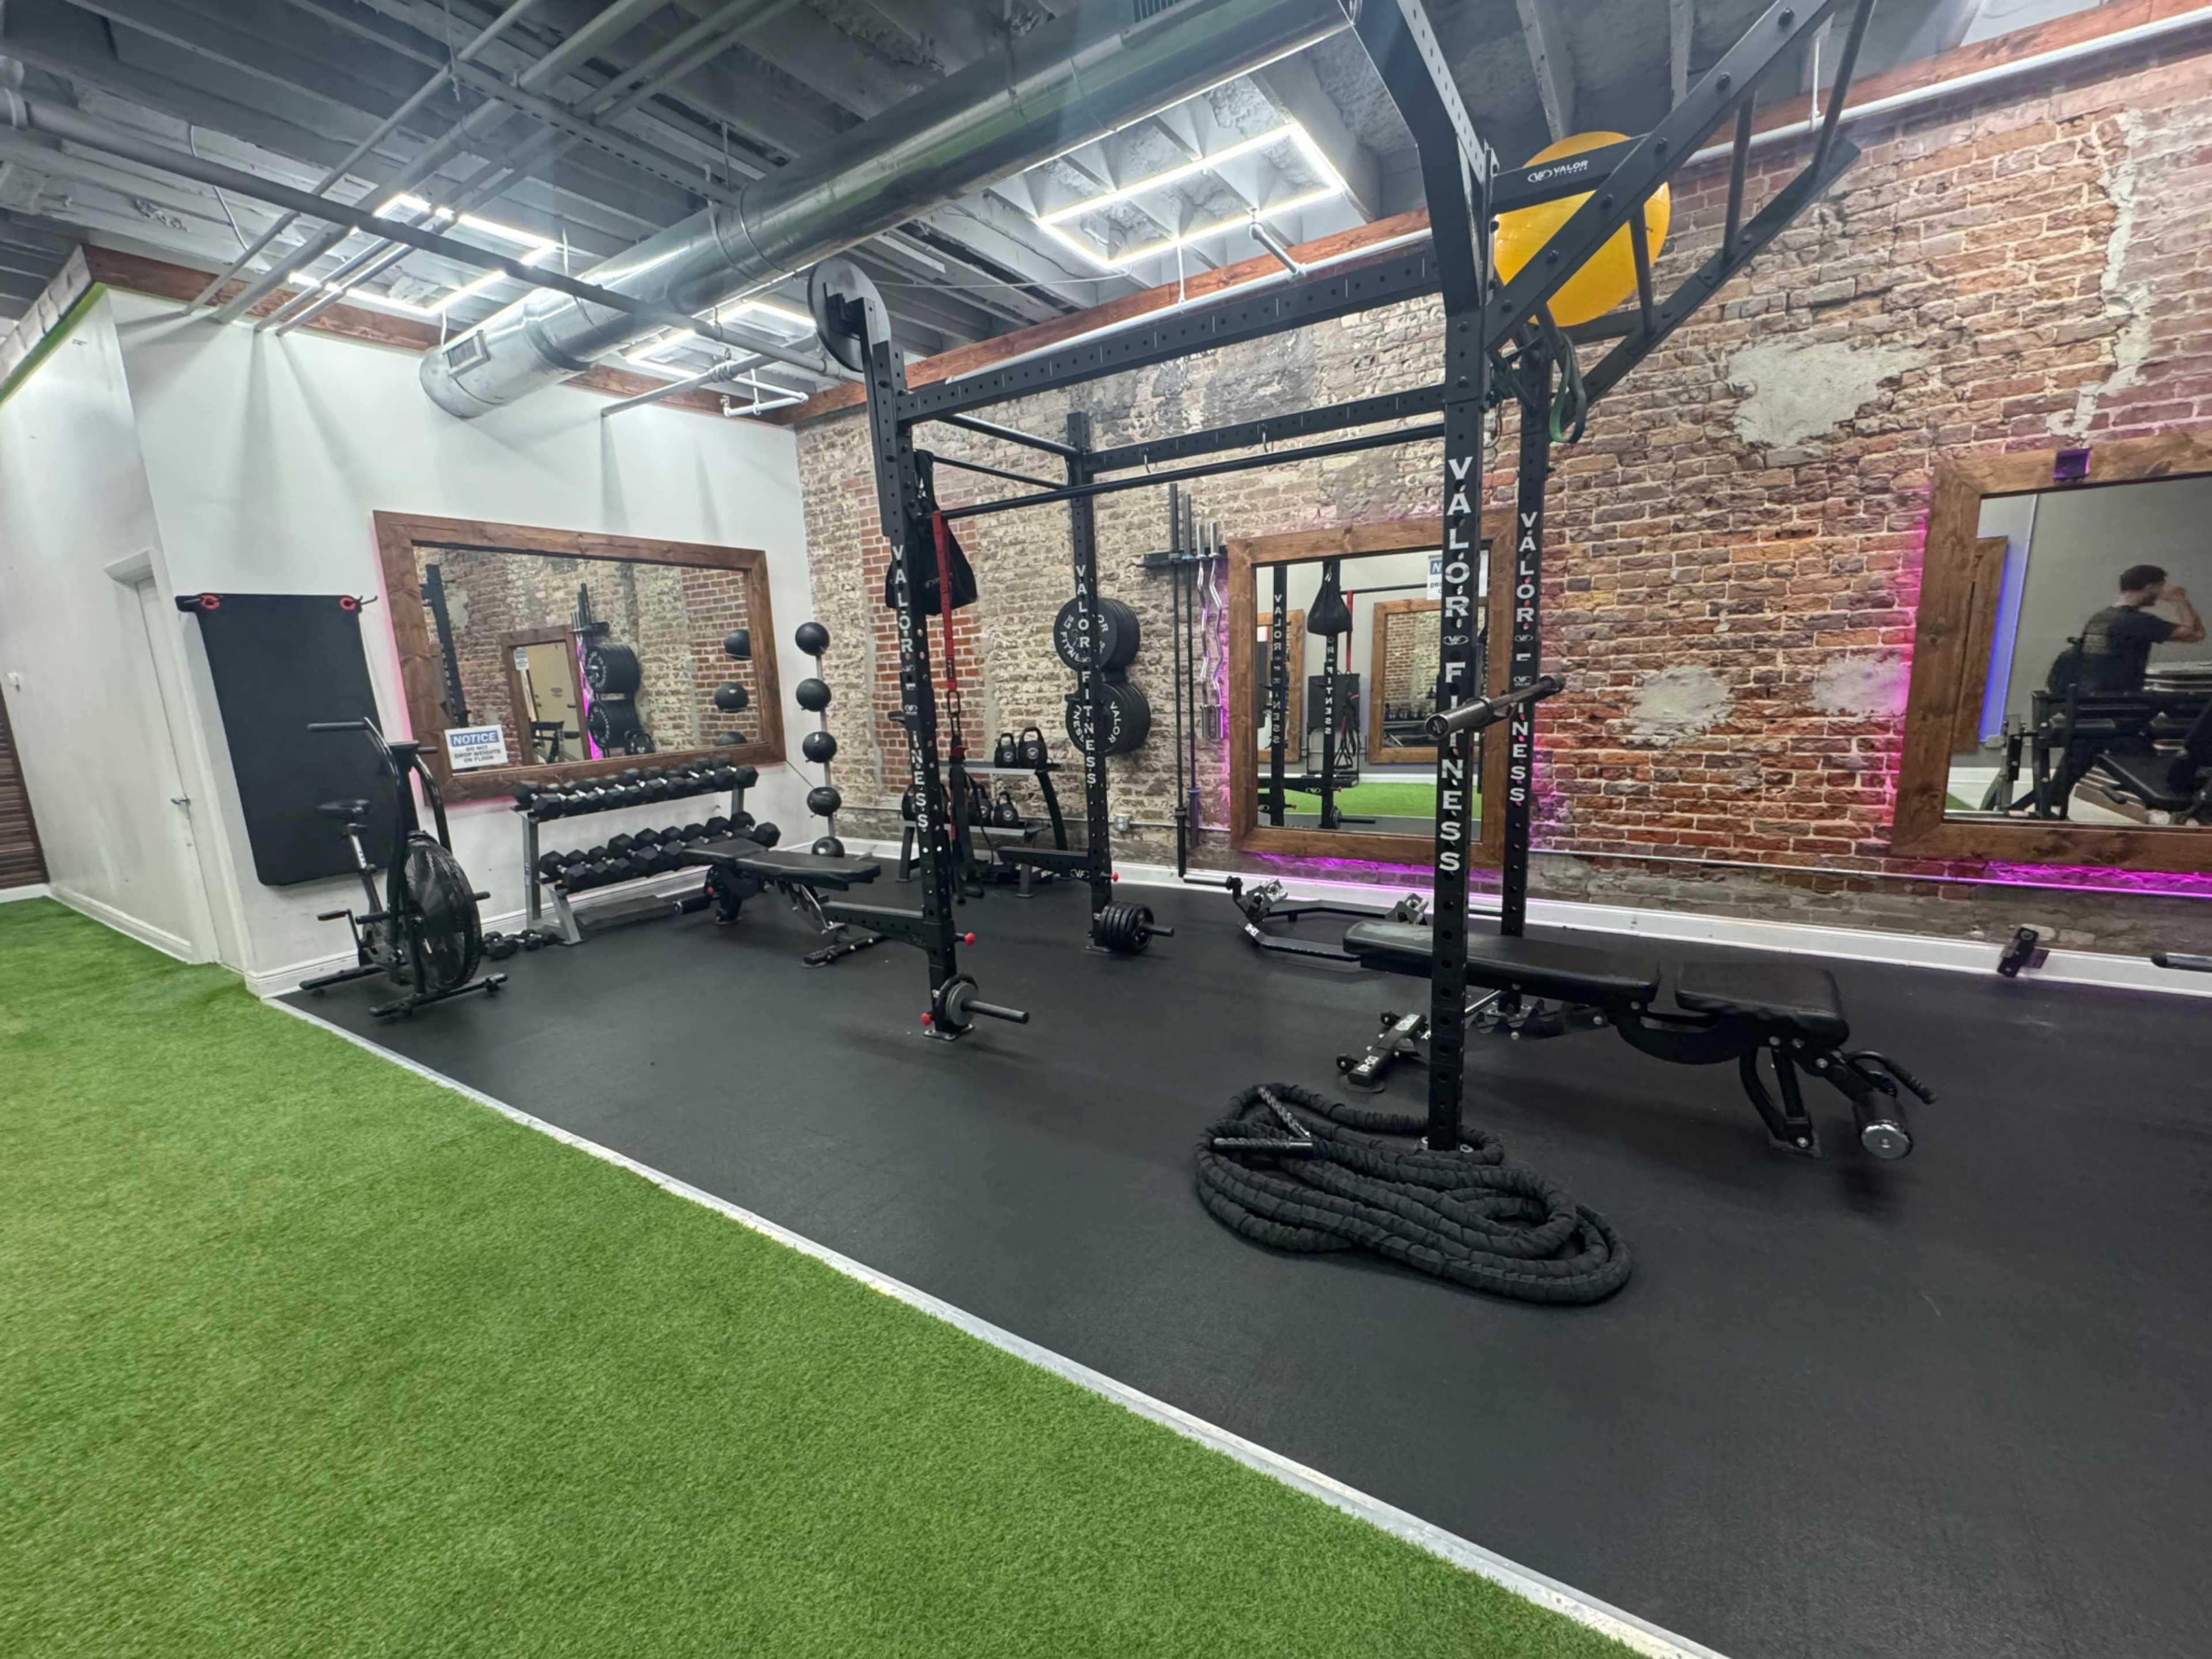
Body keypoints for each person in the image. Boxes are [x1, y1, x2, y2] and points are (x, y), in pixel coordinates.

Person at [2065, 564, 2205, 696]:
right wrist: (2180, 600)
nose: (2162, 592)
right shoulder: (2137, 621)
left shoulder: (2100, 617)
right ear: (2150, 587)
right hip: (2120, 702)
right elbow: (2195, 634)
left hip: (2087, 697)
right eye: (2161, 587)